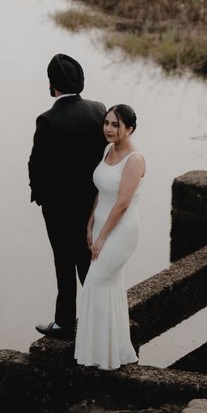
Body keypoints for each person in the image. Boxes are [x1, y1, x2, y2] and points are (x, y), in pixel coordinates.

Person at [29, 54, 106, 338]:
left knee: (64, 261)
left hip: (59, 207)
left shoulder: (47, 120)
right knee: (89, 259)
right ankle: (101, 316)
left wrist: (40, 197)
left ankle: (65, 323)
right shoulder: (99, 110)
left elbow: (37, 165)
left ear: (52, 85)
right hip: (93, 203)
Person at [74, 103, 145, 371]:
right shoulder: (107, 150)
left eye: (116, 125)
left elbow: (122, 204)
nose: (109, 129)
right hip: (102, 223)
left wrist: (102, 237)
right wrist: (91, 220)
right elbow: (102, 192)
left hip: (121, 231)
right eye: (107, 123)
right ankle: (112, 353)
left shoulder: (135, 160)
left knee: (94, 283)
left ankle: (97, 354)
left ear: (130, 129)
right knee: (110, 287)